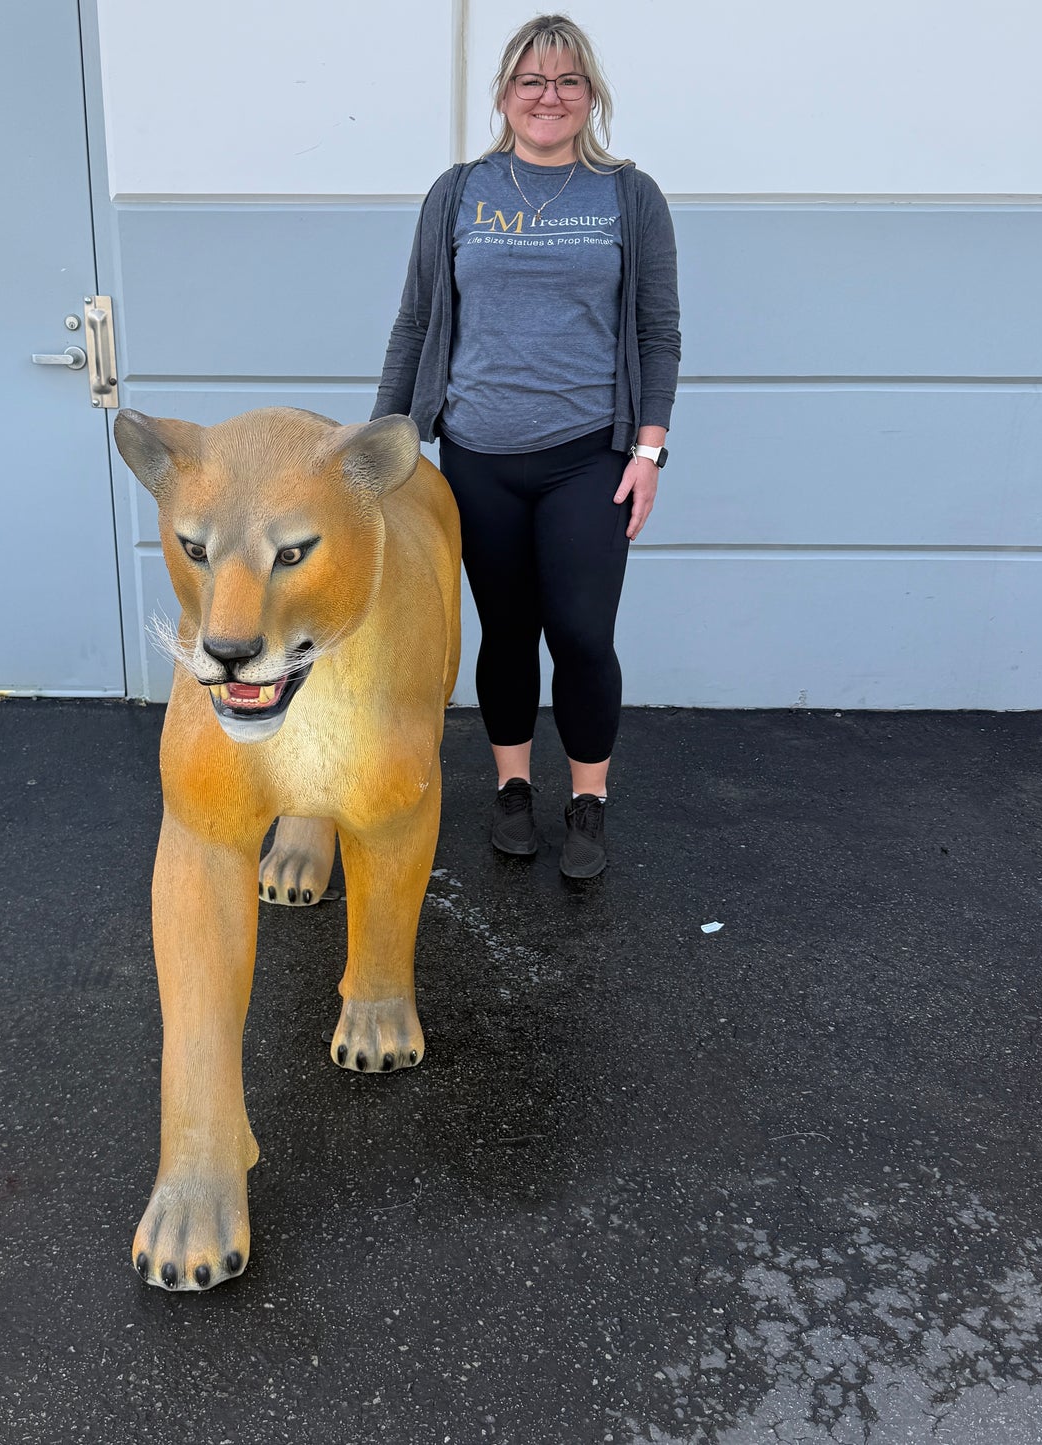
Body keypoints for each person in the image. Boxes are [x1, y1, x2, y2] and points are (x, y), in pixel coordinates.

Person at [372, 13, 681, 879]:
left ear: (590, 97)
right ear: (505, 96)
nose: (548, 97)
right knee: (505, 631)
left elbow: (659, 330)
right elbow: (416, 324)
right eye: (530, 82)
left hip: (589, 454)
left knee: (582, 634)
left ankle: (588, 800)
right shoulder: (459, 190)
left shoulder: (628, 195)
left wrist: (647, 452)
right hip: (477, 457)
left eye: (566, 82)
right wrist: (382, 447)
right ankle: (514, 790)